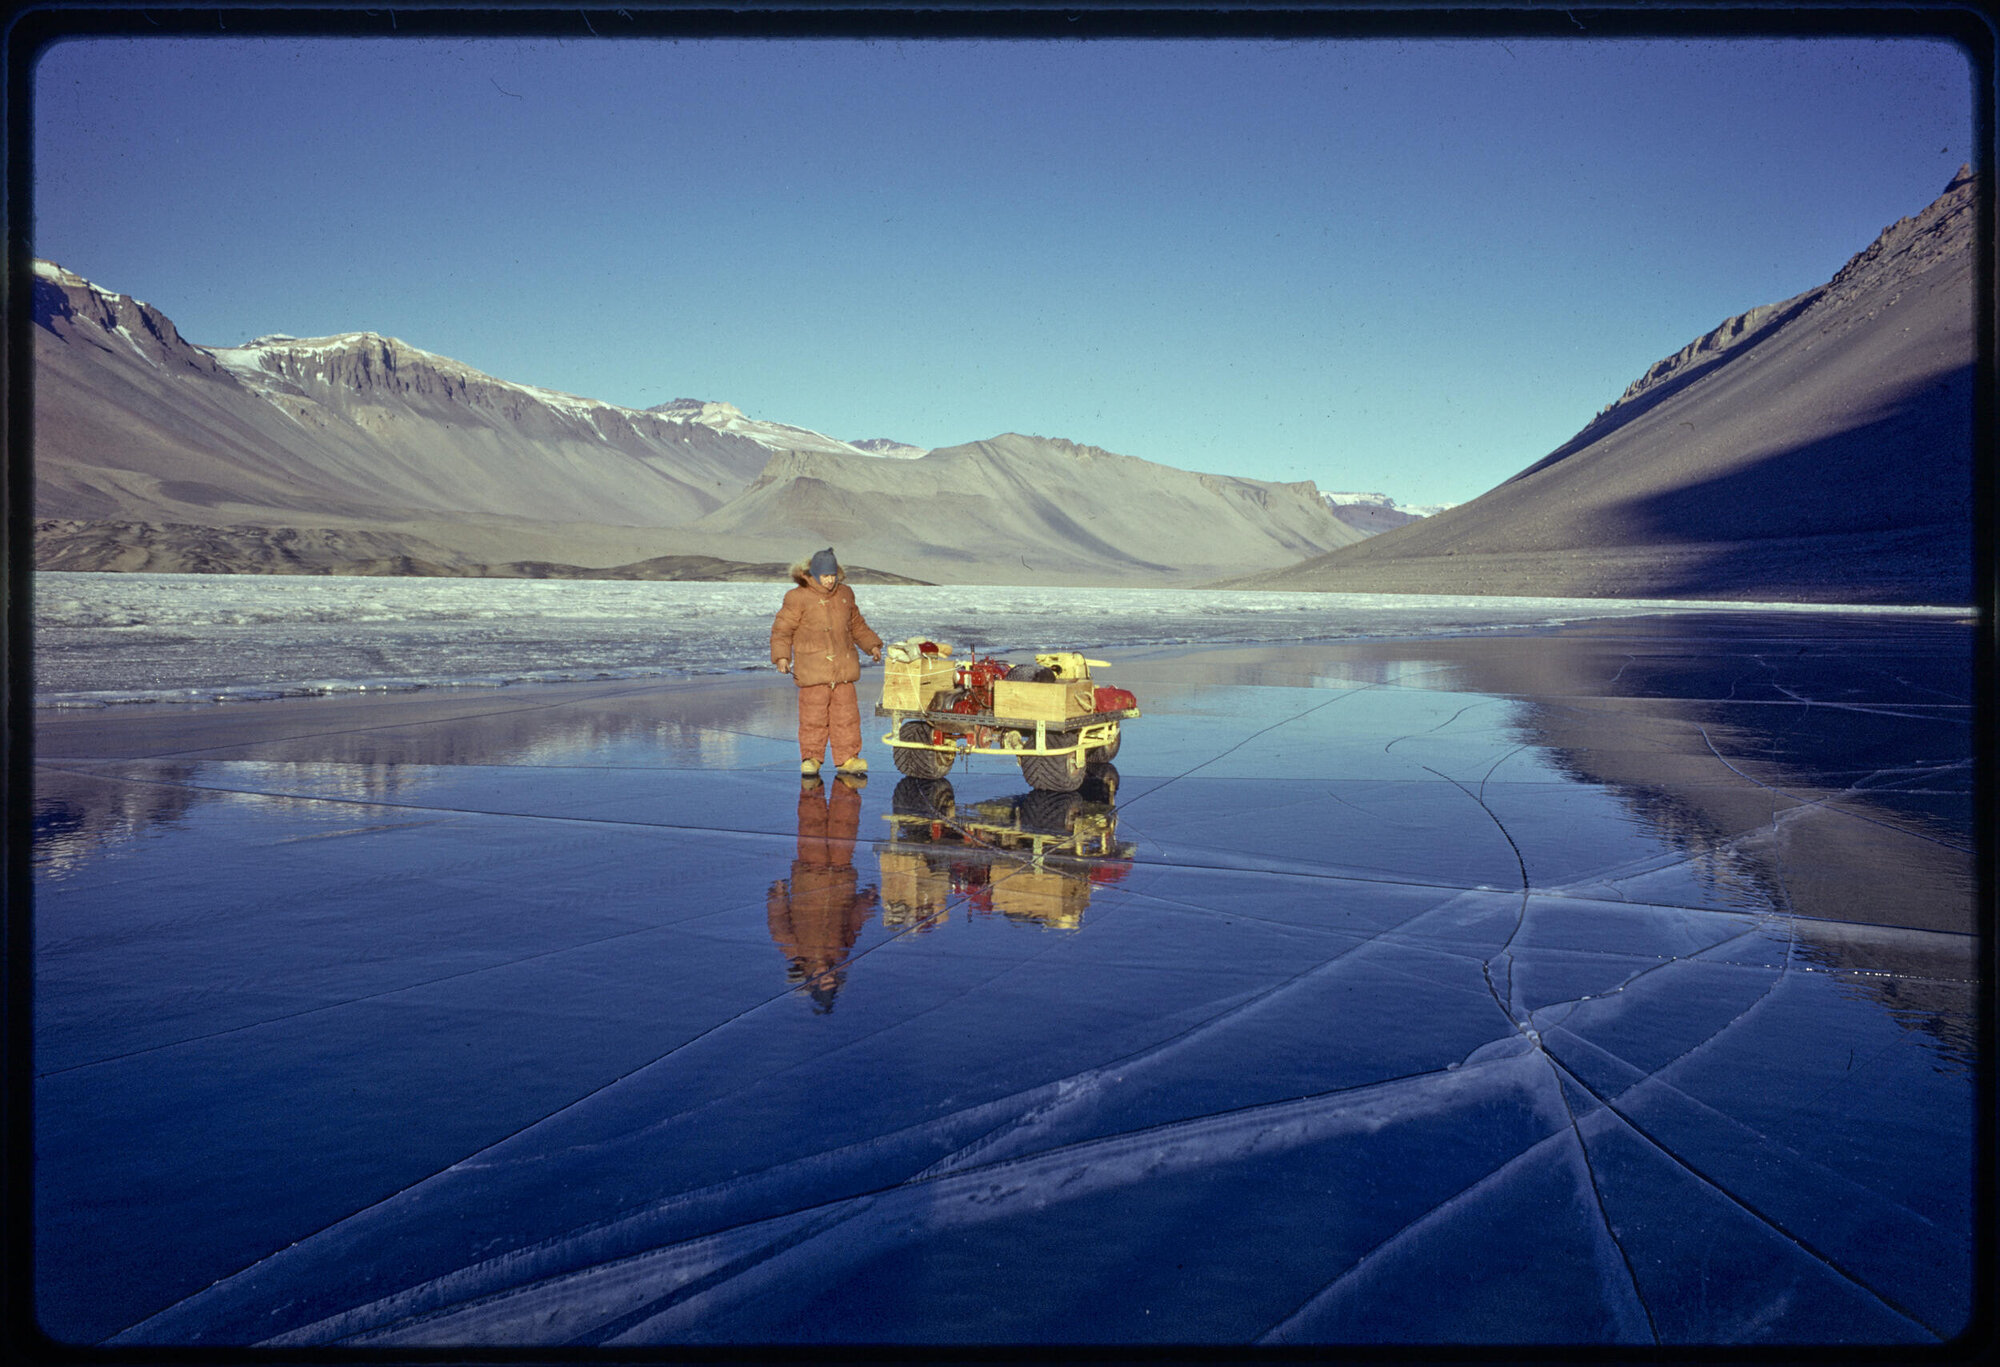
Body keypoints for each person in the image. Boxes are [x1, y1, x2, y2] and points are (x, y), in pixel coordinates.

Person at [770, 547, 883, 777]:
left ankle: (848, 759)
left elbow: (857, 625)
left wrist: (871, 645)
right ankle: (811, 759)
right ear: (813, 574)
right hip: (813, 671)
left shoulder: (845, 594)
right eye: (825, 576)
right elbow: (782, 630)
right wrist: (782, 656)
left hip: (843, 668)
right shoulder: (797, 597)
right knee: (813, 718)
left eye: (833, 575)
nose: (830, 580)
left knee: (847, 717)